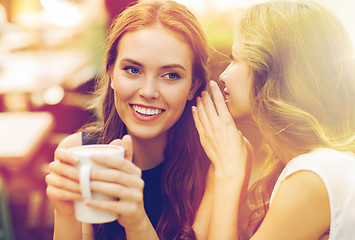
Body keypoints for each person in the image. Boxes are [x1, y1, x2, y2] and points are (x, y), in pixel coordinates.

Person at [45, 0, 212, 239]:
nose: (148, 91)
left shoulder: (210, 168)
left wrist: (136, 221)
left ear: (192, 86)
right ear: (111, 72)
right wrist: (66, 215)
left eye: (171, 75)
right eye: (133, 70)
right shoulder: (78, 153)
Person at [193, 0, 355, 239]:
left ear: (272, 71)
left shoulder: (313, 176)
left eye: (236, 59)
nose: (224, 75)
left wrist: (229, 172)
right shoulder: (324, 165)